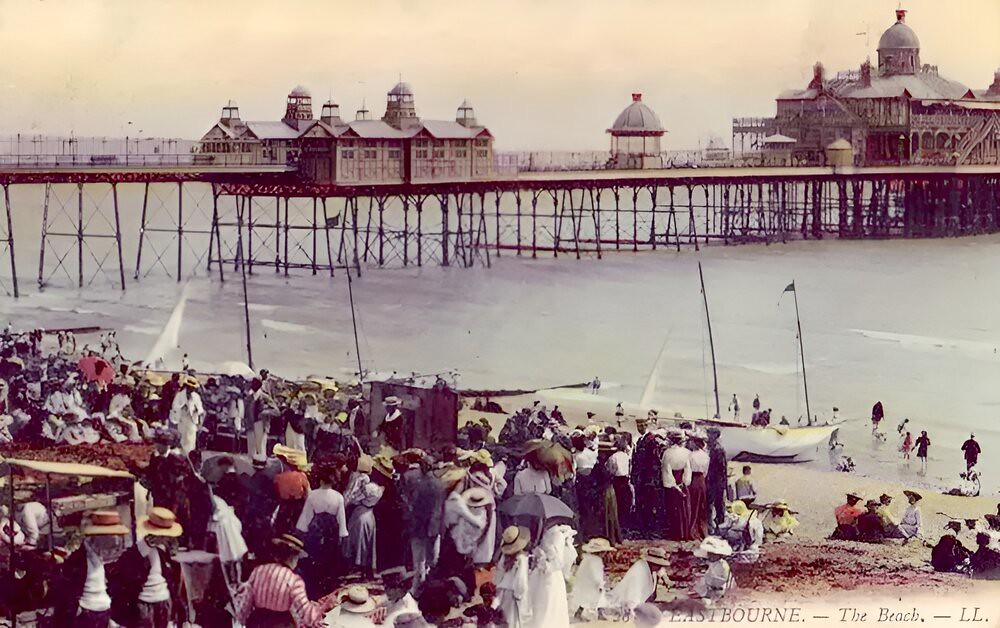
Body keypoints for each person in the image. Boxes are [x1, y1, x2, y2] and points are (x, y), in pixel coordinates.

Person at [234, 533, 332, 627]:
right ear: (293, 558)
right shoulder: (294, 581)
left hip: (257, 623)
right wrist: (322, 608)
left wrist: (243, 620)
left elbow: (245, 604)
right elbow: (308, 616)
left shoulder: (258, 571)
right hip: (280, 625)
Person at [108, 508, 183, 628]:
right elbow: (127, 571)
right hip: (144, 603)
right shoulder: (137, 551)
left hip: (162, 601)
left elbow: (169, 578)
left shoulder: (161, 551)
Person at [53, 510, 130, 628]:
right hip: (87, 611)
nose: (115, 541)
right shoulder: (78, 560)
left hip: (103, 609)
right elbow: (69, 592)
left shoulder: (100, 556)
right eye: (111, 537)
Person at [528, 525, 573, 628]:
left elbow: (558, 562)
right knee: (541, 599)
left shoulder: (557, 536)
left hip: (552, 573)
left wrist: (544, 561)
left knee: (550, 599)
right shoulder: (544, 533)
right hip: (541, 573)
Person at [608, 547, 671, 618]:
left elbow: (661, 572)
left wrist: (665, 578)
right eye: (659, 565)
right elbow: (633, 597)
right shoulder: (639, 571)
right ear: (653, 563)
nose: (660, 567)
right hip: (621, 606)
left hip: (637, 604)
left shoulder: (651, 569)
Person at [494, 526, 531, 628]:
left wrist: (497, 589)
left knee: (500, 619)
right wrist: (520, 595)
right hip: (512, 593)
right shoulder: (521, 559)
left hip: (501, 591)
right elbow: (521, 580)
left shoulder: (504, 557)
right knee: (511, 621)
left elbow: (498, 575)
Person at [346, 482, 384, 579]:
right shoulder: (371, 500)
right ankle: (363, 569)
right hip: (366, 515)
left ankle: (361, 568)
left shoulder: (363, 501)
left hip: (362, 515)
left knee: (360, 542)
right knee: (364, 542)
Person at [660, 429, 692, 541]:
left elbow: (666, 470)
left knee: (673, 510)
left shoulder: (667, 453)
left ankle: (675, 533)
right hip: (683, 482)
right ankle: (684, 533)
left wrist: (674, 485)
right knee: (683, 509)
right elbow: (688, 469)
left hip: (672, 484)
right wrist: (684, 484)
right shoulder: (687, 453)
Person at [570, 537, 612, 621]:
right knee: (598, 598)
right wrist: (600, 583)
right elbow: (597, 573)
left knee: (585, 599)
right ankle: (599, 613)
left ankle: (582, 612)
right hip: (593, 584)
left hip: (584, 582)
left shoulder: (587, 558)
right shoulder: (596, 560)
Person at [693, 536, 735, 603]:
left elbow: (720, 581)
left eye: (713, 554)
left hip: (719, 590)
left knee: (706, 602)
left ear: (720, 555)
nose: (710, 555)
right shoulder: (710, 563)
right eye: (709, 553)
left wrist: (706, 577)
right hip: (708, 588)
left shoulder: (722, 565)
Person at [170, 376, 204, 455]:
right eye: (190, 387)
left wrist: (197, 411)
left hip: (192, 420)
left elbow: (200, 410)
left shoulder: (196, 396)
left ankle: (190, 455)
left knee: (191, 440)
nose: (191, 389)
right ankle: (182, 456)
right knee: (182, 438)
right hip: (182, 419)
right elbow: (174, 406)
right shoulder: (179, 395)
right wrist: (182, 406)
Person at [705, 427, 728, 534]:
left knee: (717, 505)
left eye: (709, 434)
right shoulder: (712, 448)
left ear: (715, 436)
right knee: (711, 504)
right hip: (713, 480)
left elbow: (722, 469)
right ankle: (712, 526)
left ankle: (720, 527)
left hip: (716, 481)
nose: (707, 436)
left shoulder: (718, 449)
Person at [687, 431, 709, 540]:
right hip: (701, 480)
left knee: (693, 505)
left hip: (693, 479)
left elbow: (688, 470)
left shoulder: (691, 455)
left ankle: (692, 530)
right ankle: (702, 530)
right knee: (701, 506)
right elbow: (706, 472)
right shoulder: (706, 456)